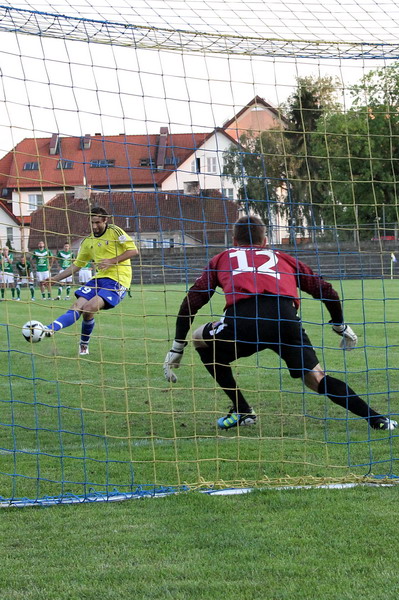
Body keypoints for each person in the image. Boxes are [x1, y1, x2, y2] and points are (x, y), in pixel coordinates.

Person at [163, 215, 397, 432]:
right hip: (285, 321)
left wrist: (177, 347)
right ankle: (378, 419)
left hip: (244, 323)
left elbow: (191, 303)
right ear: (265, 241)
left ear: (234, 240)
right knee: (316, 379)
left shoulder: (223, 257)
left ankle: (243, 409)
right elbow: (327, 291)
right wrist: (339, 325)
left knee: (199, 338)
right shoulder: (282, 258)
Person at [40, 206, 138, 356]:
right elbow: (76, 265)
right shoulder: (87, 242)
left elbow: (133, 251)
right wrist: (55, 278)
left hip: (119, 280)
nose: (94, 226)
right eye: (92, 222)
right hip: (98, 278)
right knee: (78, 305)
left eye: (97, 222)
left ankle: (84, 344)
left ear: (105, 220)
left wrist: (112, 261)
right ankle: (50, 329)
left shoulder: (115, 231)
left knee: (89, 307)